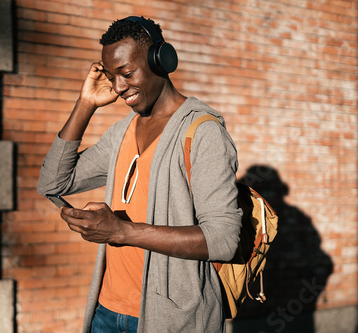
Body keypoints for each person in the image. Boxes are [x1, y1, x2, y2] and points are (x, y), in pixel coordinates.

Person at [37, 16, 242, 333]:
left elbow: (223, 239)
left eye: (126, 74)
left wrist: (120, 231)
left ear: (161, 61)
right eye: (111, 77)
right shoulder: (121, 132)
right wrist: (85, 104)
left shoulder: (202, 133)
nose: (118, 88)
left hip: (171, 319)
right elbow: (52, 182)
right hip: (106, 311)